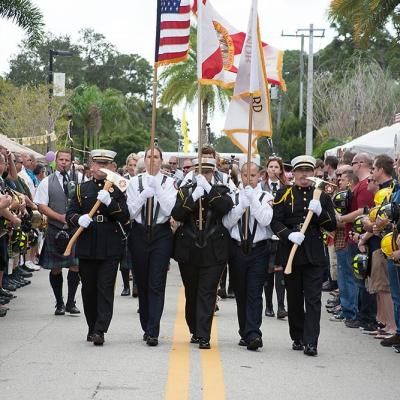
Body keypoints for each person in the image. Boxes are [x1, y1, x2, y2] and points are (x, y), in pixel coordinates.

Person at [271, 155, 336, 356]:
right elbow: (275, 221)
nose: (304, 175)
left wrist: (320, 213)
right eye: (300, 171)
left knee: (313, 299)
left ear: (313, 173)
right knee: (294, 297)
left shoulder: (322, 196)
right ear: (294, 173)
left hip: (314, 252)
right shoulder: (284, 193)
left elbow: (332, 225)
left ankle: (311, 341)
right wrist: (288, 234)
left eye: (308, 171)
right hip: (292, 251)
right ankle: (297, 336)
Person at [66, 149, 130, 346]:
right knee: (89, 289)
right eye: (97, 163)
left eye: (105, 164)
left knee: (105, 288)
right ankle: (91, 326)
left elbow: (125, 217)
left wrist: (110, 202)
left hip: (110, 243)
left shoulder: (117, 190)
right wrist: (79, 219)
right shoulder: (80, 189)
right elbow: (70, 214)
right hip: (87, 242)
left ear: (112, 167)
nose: (100, 168)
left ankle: (100, 329)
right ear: (91, 166)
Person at [172, 157, 233, 349]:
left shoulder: (222, 190)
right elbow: (177, 214)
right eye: (201, 172)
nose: (204, 175)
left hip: (213, 248)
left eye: (208, 172)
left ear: (213, 173)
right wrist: (193, 196)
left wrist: (208, 190)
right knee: (192, 292)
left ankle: (204, 334)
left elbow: (224, 208)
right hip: (189, 247)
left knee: (207, 292)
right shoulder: (185, 191)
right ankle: (194, 329)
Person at [126, 147, 176, 347]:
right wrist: (143, 195)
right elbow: (129, 212)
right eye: (149, 157)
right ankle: (146, 324)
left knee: (156, 282)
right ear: (143, 161)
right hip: (138, 232)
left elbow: (170, 209)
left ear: (161, 160)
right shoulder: (134, 182)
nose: (152, 160)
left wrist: (158, 190)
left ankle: (153, 329)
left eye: (156, 157)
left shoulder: (170, 182)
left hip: (160, 233)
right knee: (142, 282)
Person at [223, 162, 273, 350]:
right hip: (237, 248)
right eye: (245, 175)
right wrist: (240, 205)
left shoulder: (265, 196)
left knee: (254, 292)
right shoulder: (234, 196)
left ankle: (254, 333)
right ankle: (245, 331)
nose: (248, 179)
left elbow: (265, 220)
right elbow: (227, 223)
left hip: (258, 249)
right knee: (241, 292)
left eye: (252, 175)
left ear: (259, 176)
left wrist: (252, 200)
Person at [34, 149, 81, 316]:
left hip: (75, 230)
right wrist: (60, 217)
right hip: (56, 229)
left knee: (76, 266)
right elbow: (41, 205)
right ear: (56, 161)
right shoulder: (47, 182)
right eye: (61, 159)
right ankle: (59, 303)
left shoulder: (80, 180)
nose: (64, 162)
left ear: (71, 162)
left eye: (67, 160)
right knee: (56, 268)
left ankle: (70, 302)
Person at [262, 155, 288, 319]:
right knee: (268, 271)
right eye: (271, 167)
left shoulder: (286, 187)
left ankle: (281, 305)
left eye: (276, 167)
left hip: (280, 234)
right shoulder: (260, 187)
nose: (273, 170)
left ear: (281, 170)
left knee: (280, 271)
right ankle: (269, 305)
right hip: (265, 233)